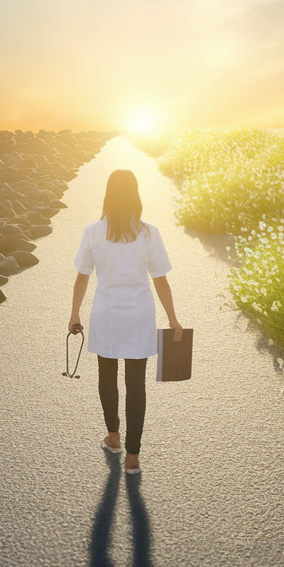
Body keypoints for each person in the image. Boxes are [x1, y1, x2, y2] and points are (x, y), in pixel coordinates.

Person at [69, 169, 182, 475]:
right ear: (135, 196)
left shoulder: (93, 231)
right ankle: (133, 456)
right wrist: (173, 320)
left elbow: (82, 277)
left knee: (106, 376)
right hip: (138, 316)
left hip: (105, 314)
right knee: (136, 384)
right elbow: (161, 282)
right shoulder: (148, 233)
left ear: (108, 195)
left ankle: (114, 437)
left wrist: (74, 314)